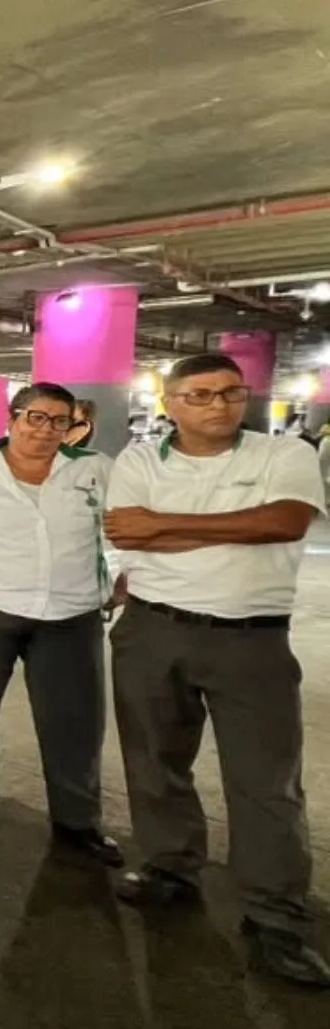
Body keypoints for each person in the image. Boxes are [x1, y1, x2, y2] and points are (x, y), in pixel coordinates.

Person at [104, 353, 330, 988]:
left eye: (231, 392)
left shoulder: (283, 454)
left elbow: (285, 521)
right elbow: (127, 535)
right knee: (154, 760)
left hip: (250, 640)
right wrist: (235, 528)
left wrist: (165, 525)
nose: (218, 405)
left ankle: (275, 914)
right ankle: (171, 865)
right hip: (153, 630)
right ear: (171, 403)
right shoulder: (139, 461)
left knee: (265, 782)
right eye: (200, 395)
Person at [0, 383, 122, 865]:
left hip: (70, 614)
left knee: (74, 720)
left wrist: (125, 578)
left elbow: (125, 528)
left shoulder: (94, 469)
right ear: (12, 418)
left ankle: (77, 819)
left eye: (60, 421)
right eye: (36, 417)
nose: (47, 430)